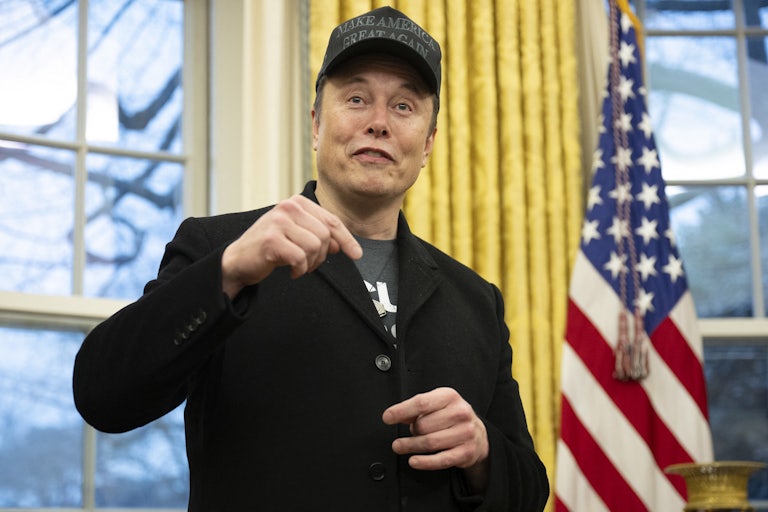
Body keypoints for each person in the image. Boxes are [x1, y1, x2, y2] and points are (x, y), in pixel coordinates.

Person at [73, 6, 549, 511]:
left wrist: (482, 453)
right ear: (317, 123)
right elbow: (103, 395)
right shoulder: (221, 249)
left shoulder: (476, 300)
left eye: (405, 106)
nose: (379, 123)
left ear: (428, 144)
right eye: (357, 99)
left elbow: (530, 493)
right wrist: (229, 273)